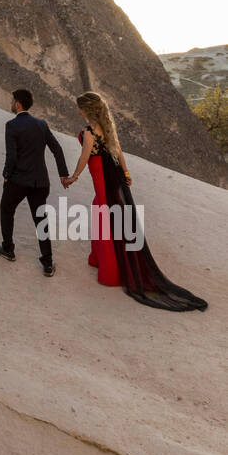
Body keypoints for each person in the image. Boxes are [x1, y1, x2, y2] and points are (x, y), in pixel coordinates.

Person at [62, 91, 207, 311]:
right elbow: (118, 151)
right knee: (112, 217)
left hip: (102, 178)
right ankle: (98, 259)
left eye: (79, 107)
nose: (77, 110)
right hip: (115, 176)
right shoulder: (107, 127)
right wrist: (126, 173)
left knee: (103, 218)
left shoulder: (89, 131)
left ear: (86, 109)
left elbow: (85, 156)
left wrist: (73, 177)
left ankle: (109, 274)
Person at [0, 88, 69, 276]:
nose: (11, 103)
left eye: (13, 101)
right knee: (41, 220)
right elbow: (57, 150)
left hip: (19, 180)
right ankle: (47, 262)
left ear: (18, 103)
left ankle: (8, 249)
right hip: (40, 182)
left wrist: (6, 174)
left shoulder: (11, 125)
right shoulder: (41, 125)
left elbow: (12, 156)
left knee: (6, 209)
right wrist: (63, 174)